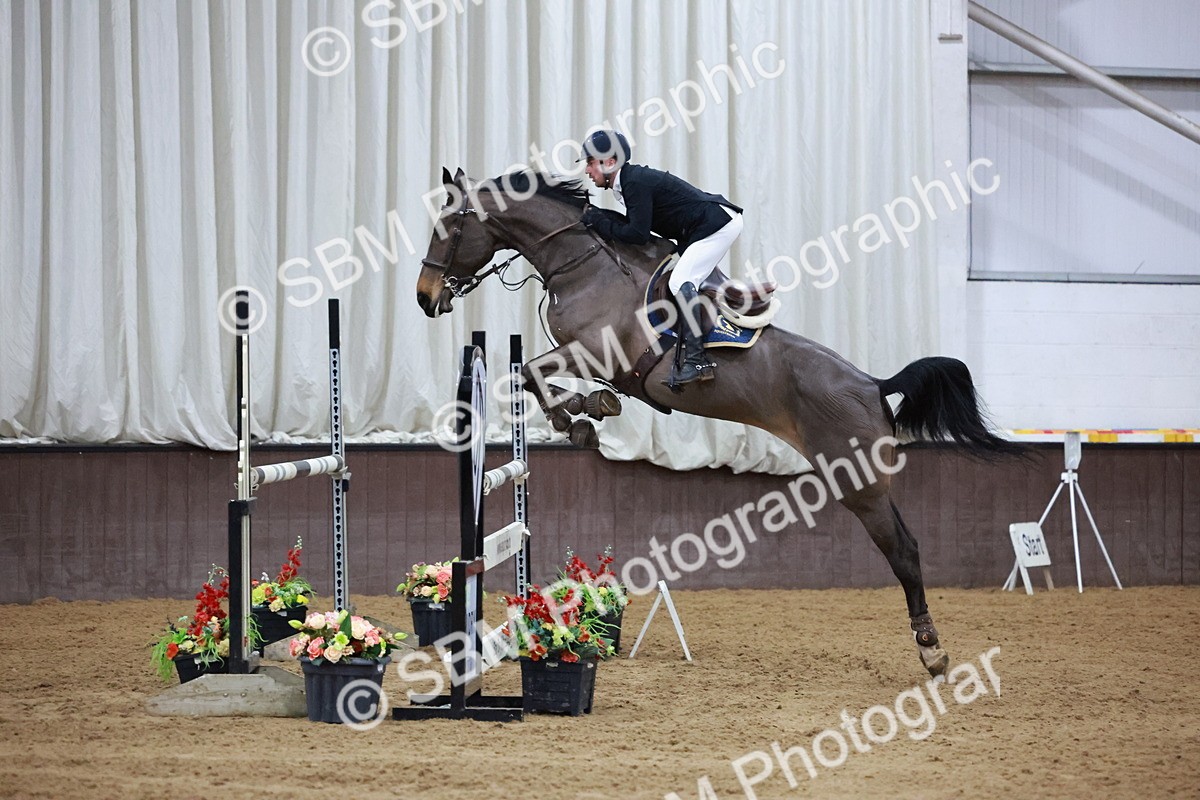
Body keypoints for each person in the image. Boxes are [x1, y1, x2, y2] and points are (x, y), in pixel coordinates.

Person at [577, 130, 743, 386]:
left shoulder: (633, 182)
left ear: (609, 162)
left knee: (679, 282)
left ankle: (697, 360)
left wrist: (599, 222)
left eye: (590, 162)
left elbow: (637, 233)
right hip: (698, 229)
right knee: (675, 279)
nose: (587, 171)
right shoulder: (626, 183)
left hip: (717, 223)